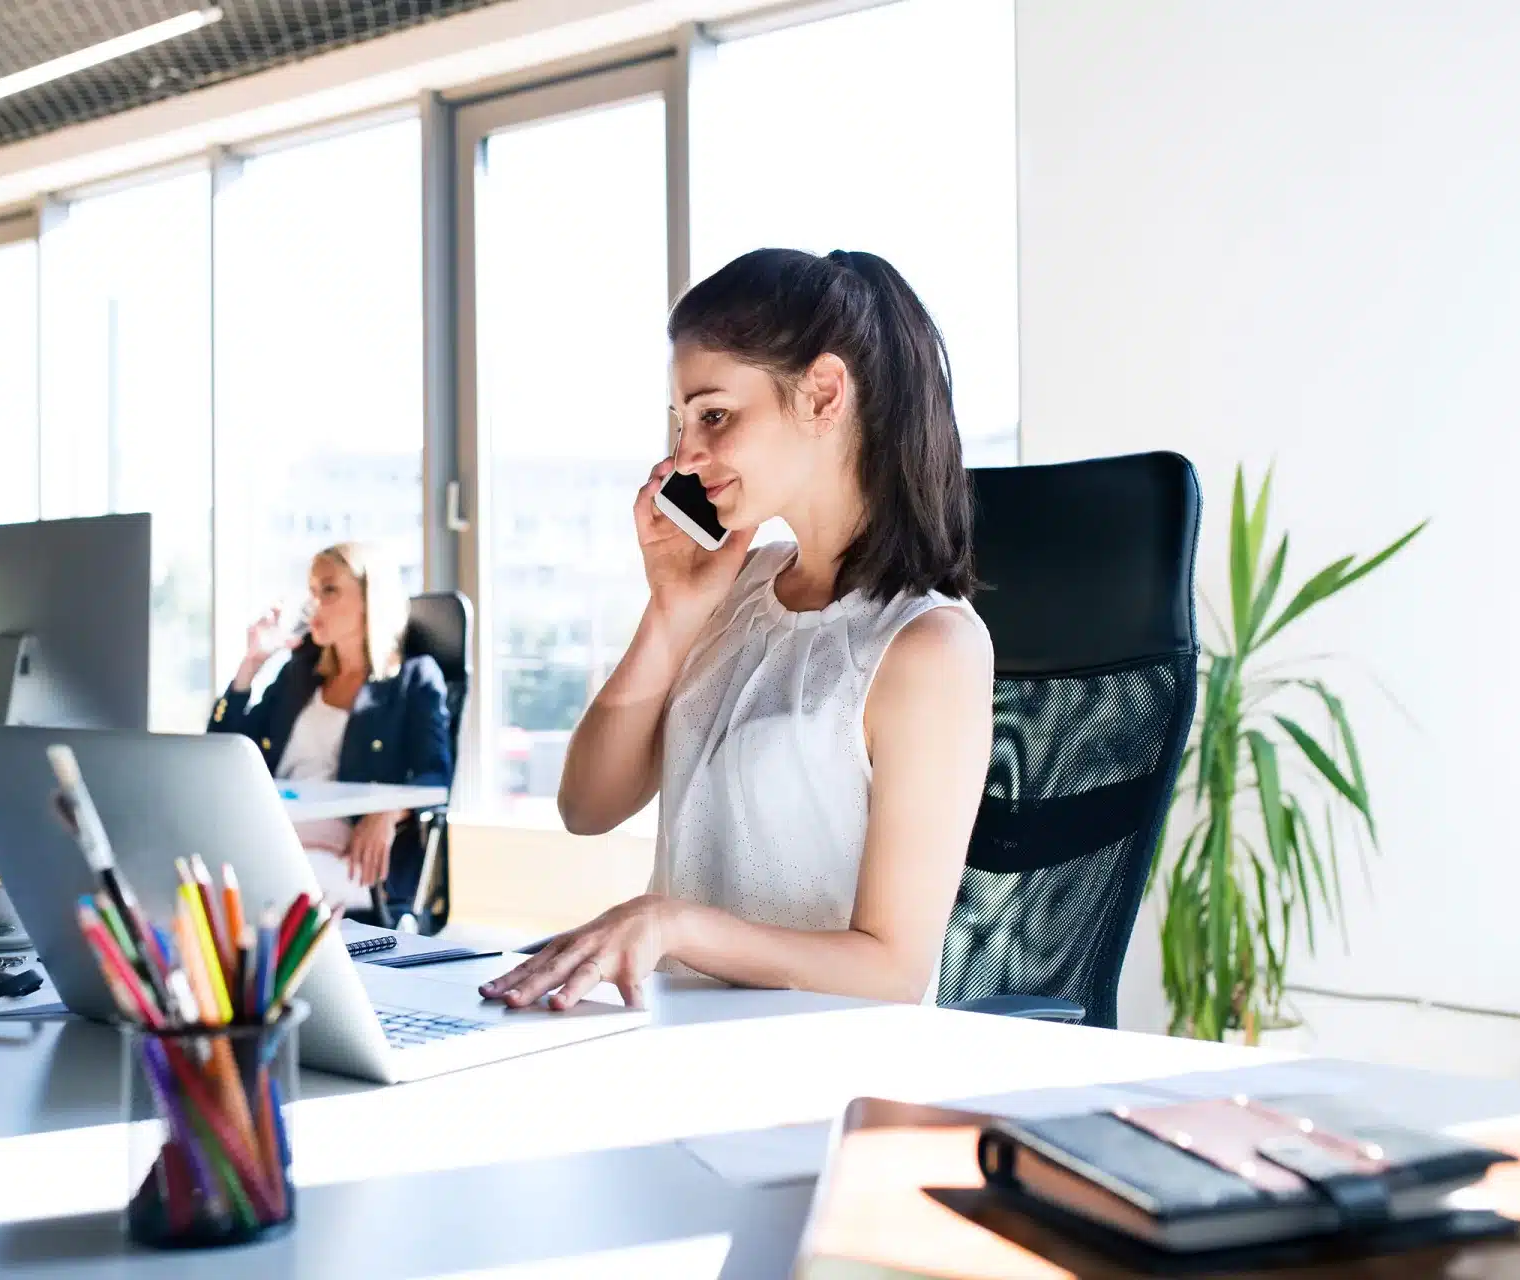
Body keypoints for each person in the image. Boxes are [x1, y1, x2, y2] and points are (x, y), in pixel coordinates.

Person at [481, 248, 995, 1012]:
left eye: (714, 415)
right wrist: (672, 612)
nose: (685, 454)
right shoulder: (738, 585)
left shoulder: (928, 648)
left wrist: (676, 926)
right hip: (673, 1035)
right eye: (681, 422)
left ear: (823, 395)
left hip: (808, 1074)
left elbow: (894, 971)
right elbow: (586, 806)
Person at [209, 542, 451, 913]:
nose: (313, 604)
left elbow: (435, 777)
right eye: (312, 592)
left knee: (246, 885)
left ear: (370, 599)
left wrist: (388, 810)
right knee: (198, 871)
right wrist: (251, 665)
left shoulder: (414, 680)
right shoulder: (299, 674)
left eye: (329, 590)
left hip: (346, 852)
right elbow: (223, 751)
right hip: (272, 829)